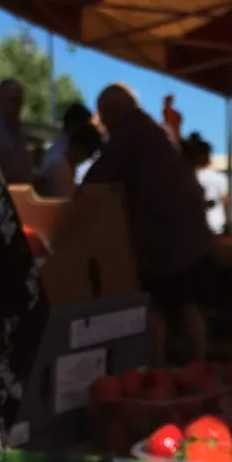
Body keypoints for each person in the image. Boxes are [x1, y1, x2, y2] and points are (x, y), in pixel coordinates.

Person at [83, 84, 213, 365]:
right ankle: (199, 366)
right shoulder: (153, 131)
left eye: (103, 116)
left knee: (154, 307)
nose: (103, 124)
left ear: (114, 112)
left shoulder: (129, 134)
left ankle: (159, 370)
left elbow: (94, 181)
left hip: (164, 239)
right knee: (187, 305)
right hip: (190, 235)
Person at [37, 123, 102, 198]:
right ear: (80, 148)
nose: (87, 158)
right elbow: (65, 201)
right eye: (89, 153)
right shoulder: (61, 169)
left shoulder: (64, 166)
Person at [38, 103, 92, 195]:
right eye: (85, 126)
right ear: (75, 125)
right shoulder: (59, 156)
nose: (87, 131)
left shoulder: (60, 148)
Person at [190, 135, 229, 234]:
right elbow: (225, 199)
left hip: (196, 223)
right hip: (216, 221)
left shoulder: (192, 176)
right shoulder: (220, 177)